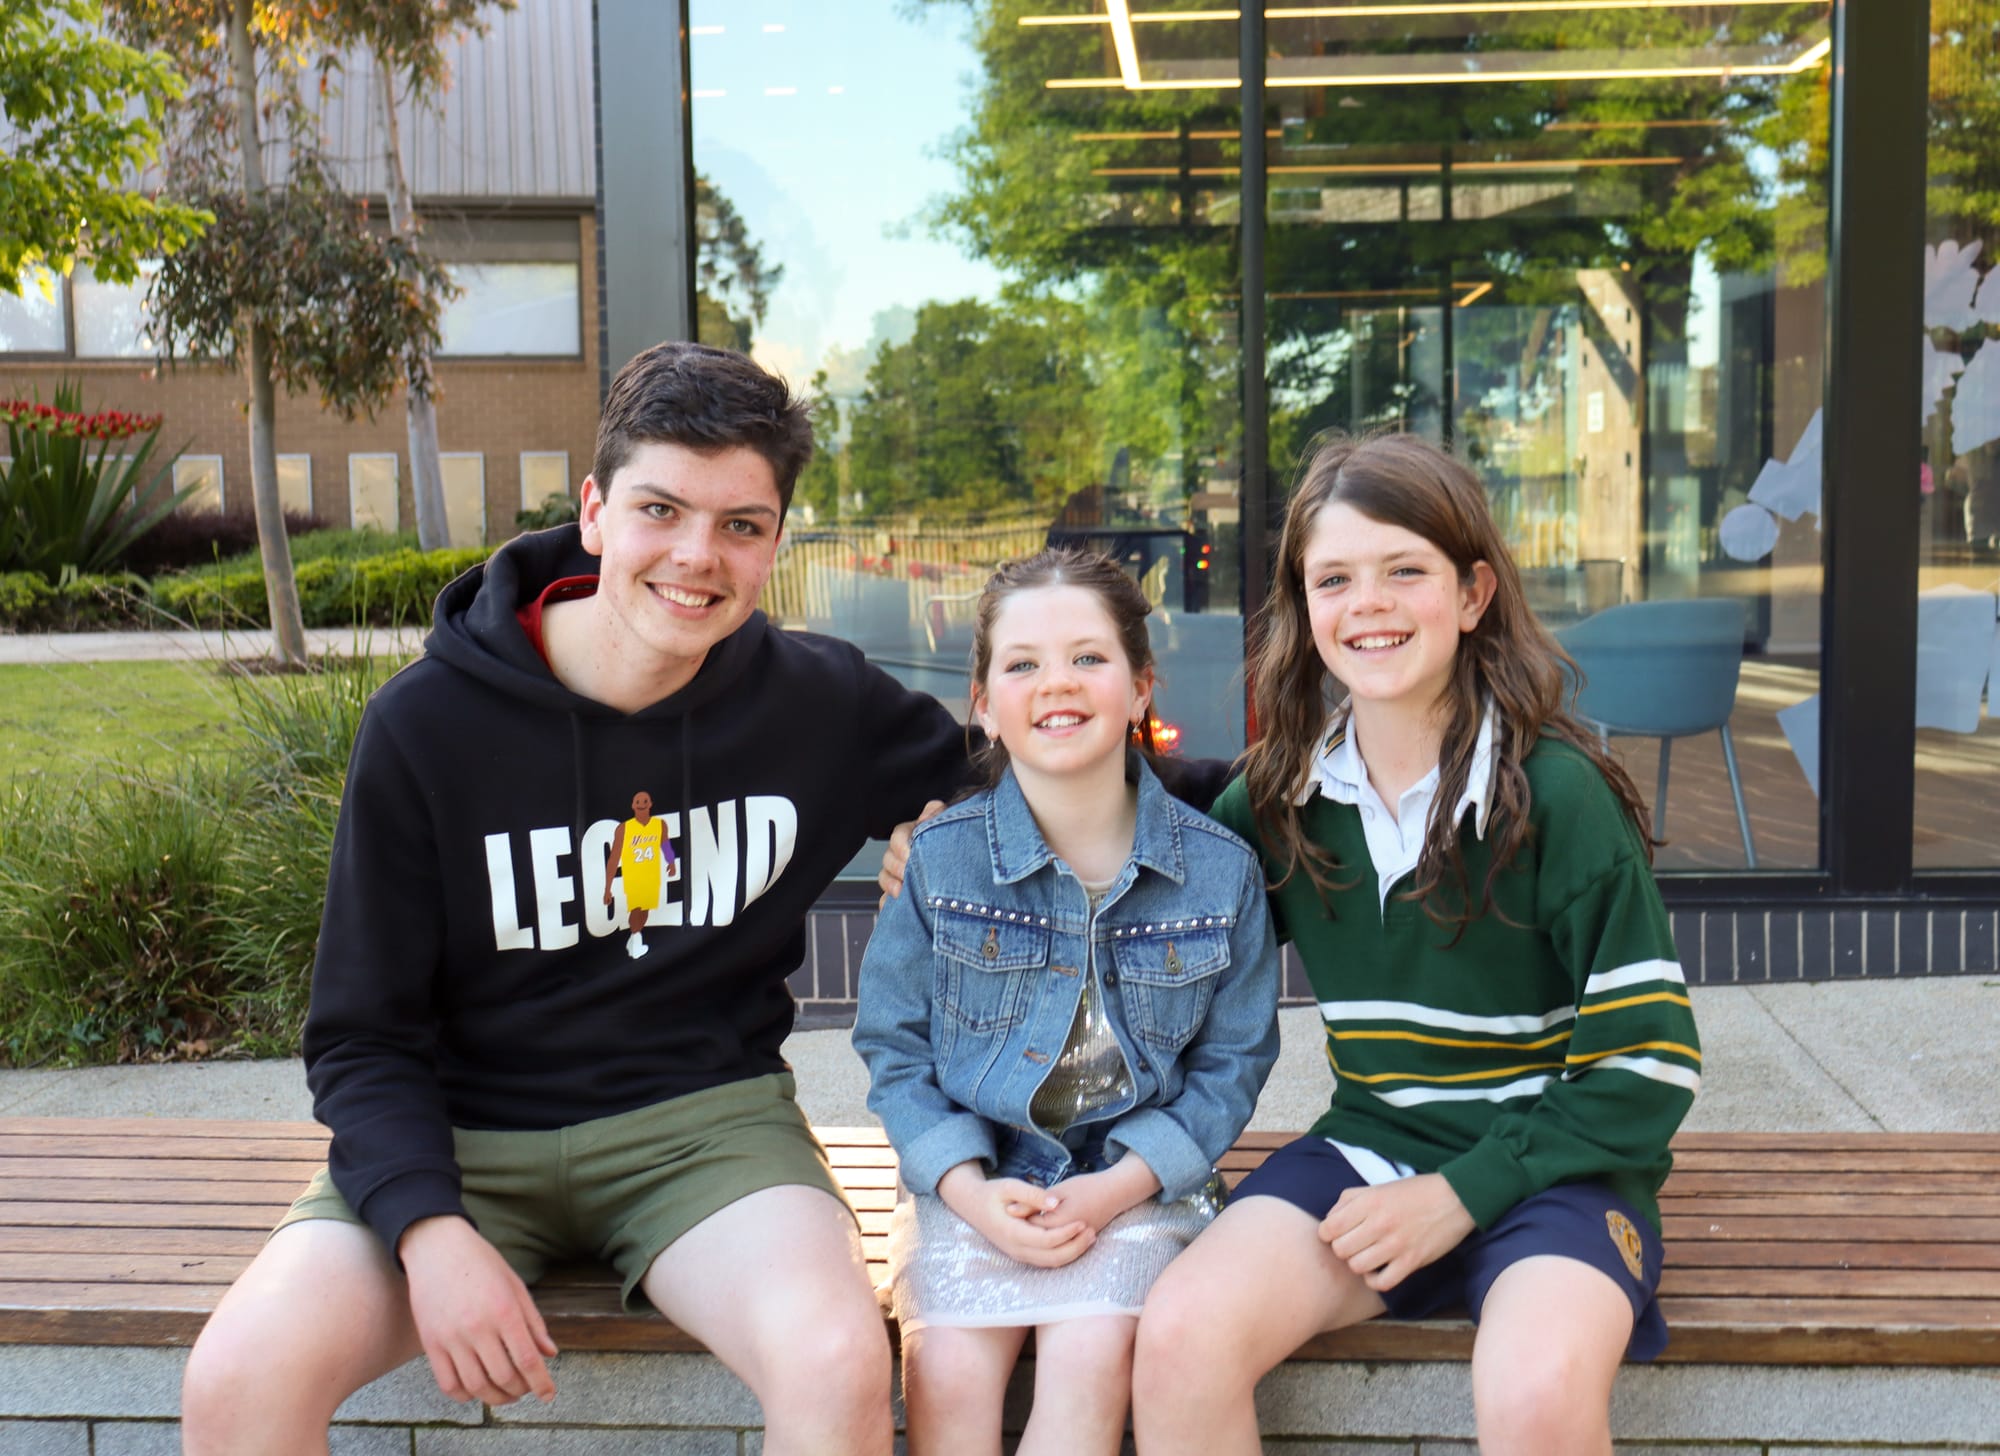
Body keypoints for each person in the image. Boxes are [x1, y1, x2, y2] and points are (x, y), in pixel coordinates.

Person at [179, 341, 1000, 1456]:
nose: (696, 557)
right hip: (458, 1138)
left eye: (740, 525)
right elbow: (361, 1035)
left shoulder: (815, 701)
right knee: (237, 1381)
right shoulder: (427, 727)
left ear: (772, 543)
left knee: (836, 1355)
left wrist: (951, 826)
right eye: (661, 509)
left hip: (700, 1132)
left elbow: (1030, 775)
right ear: (595, 511)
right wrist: (430, 1230)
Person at [1131, 434, 1702, 1456]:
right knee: (1178, 1335)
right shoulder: (1277, 801)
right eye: (1333, 579)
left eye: (1405, 570)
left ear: (1472, 592)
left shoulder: (1558, 798)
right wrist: (948, 852)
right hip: (1372, 1147)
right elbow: (1136, 905)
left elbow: (1645, 1067)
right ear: (1304, 608)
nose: (1369, 604)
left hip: (1555, 1174)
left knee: (1531, 1392)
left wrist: (1458, 1195)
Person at [852, 548, 1281, 1456]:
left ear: (1140, 689)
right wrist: (966, 1191)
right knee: (947, 1379)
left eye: (1089, 657)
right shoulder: (939, 861)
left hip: (1137, 1192)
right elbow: (896, 1049)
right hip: (970, 1186)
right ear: (982, 702)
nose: (1059, 684)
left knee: (1089, 1366)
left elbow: (1230, 1070)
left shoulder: (1220, 872)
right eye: (1023, 664)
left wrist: (1116, 1187)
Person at [605, 787, 677, 959]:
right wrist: (608, 888)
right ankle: (636, 941)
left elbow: (665, 845)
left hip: (652, 875)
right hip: (634, 877)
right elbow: (614, 857)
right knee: (636, 909)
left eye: (645, 801)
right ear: (633, 805)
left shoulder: (659, 825)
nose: (642, 804)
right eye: (638, 801)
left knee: (644, 911)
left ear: (650, 804)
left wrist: (671, 862)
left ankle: (633, 938)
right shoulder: (624, 828)